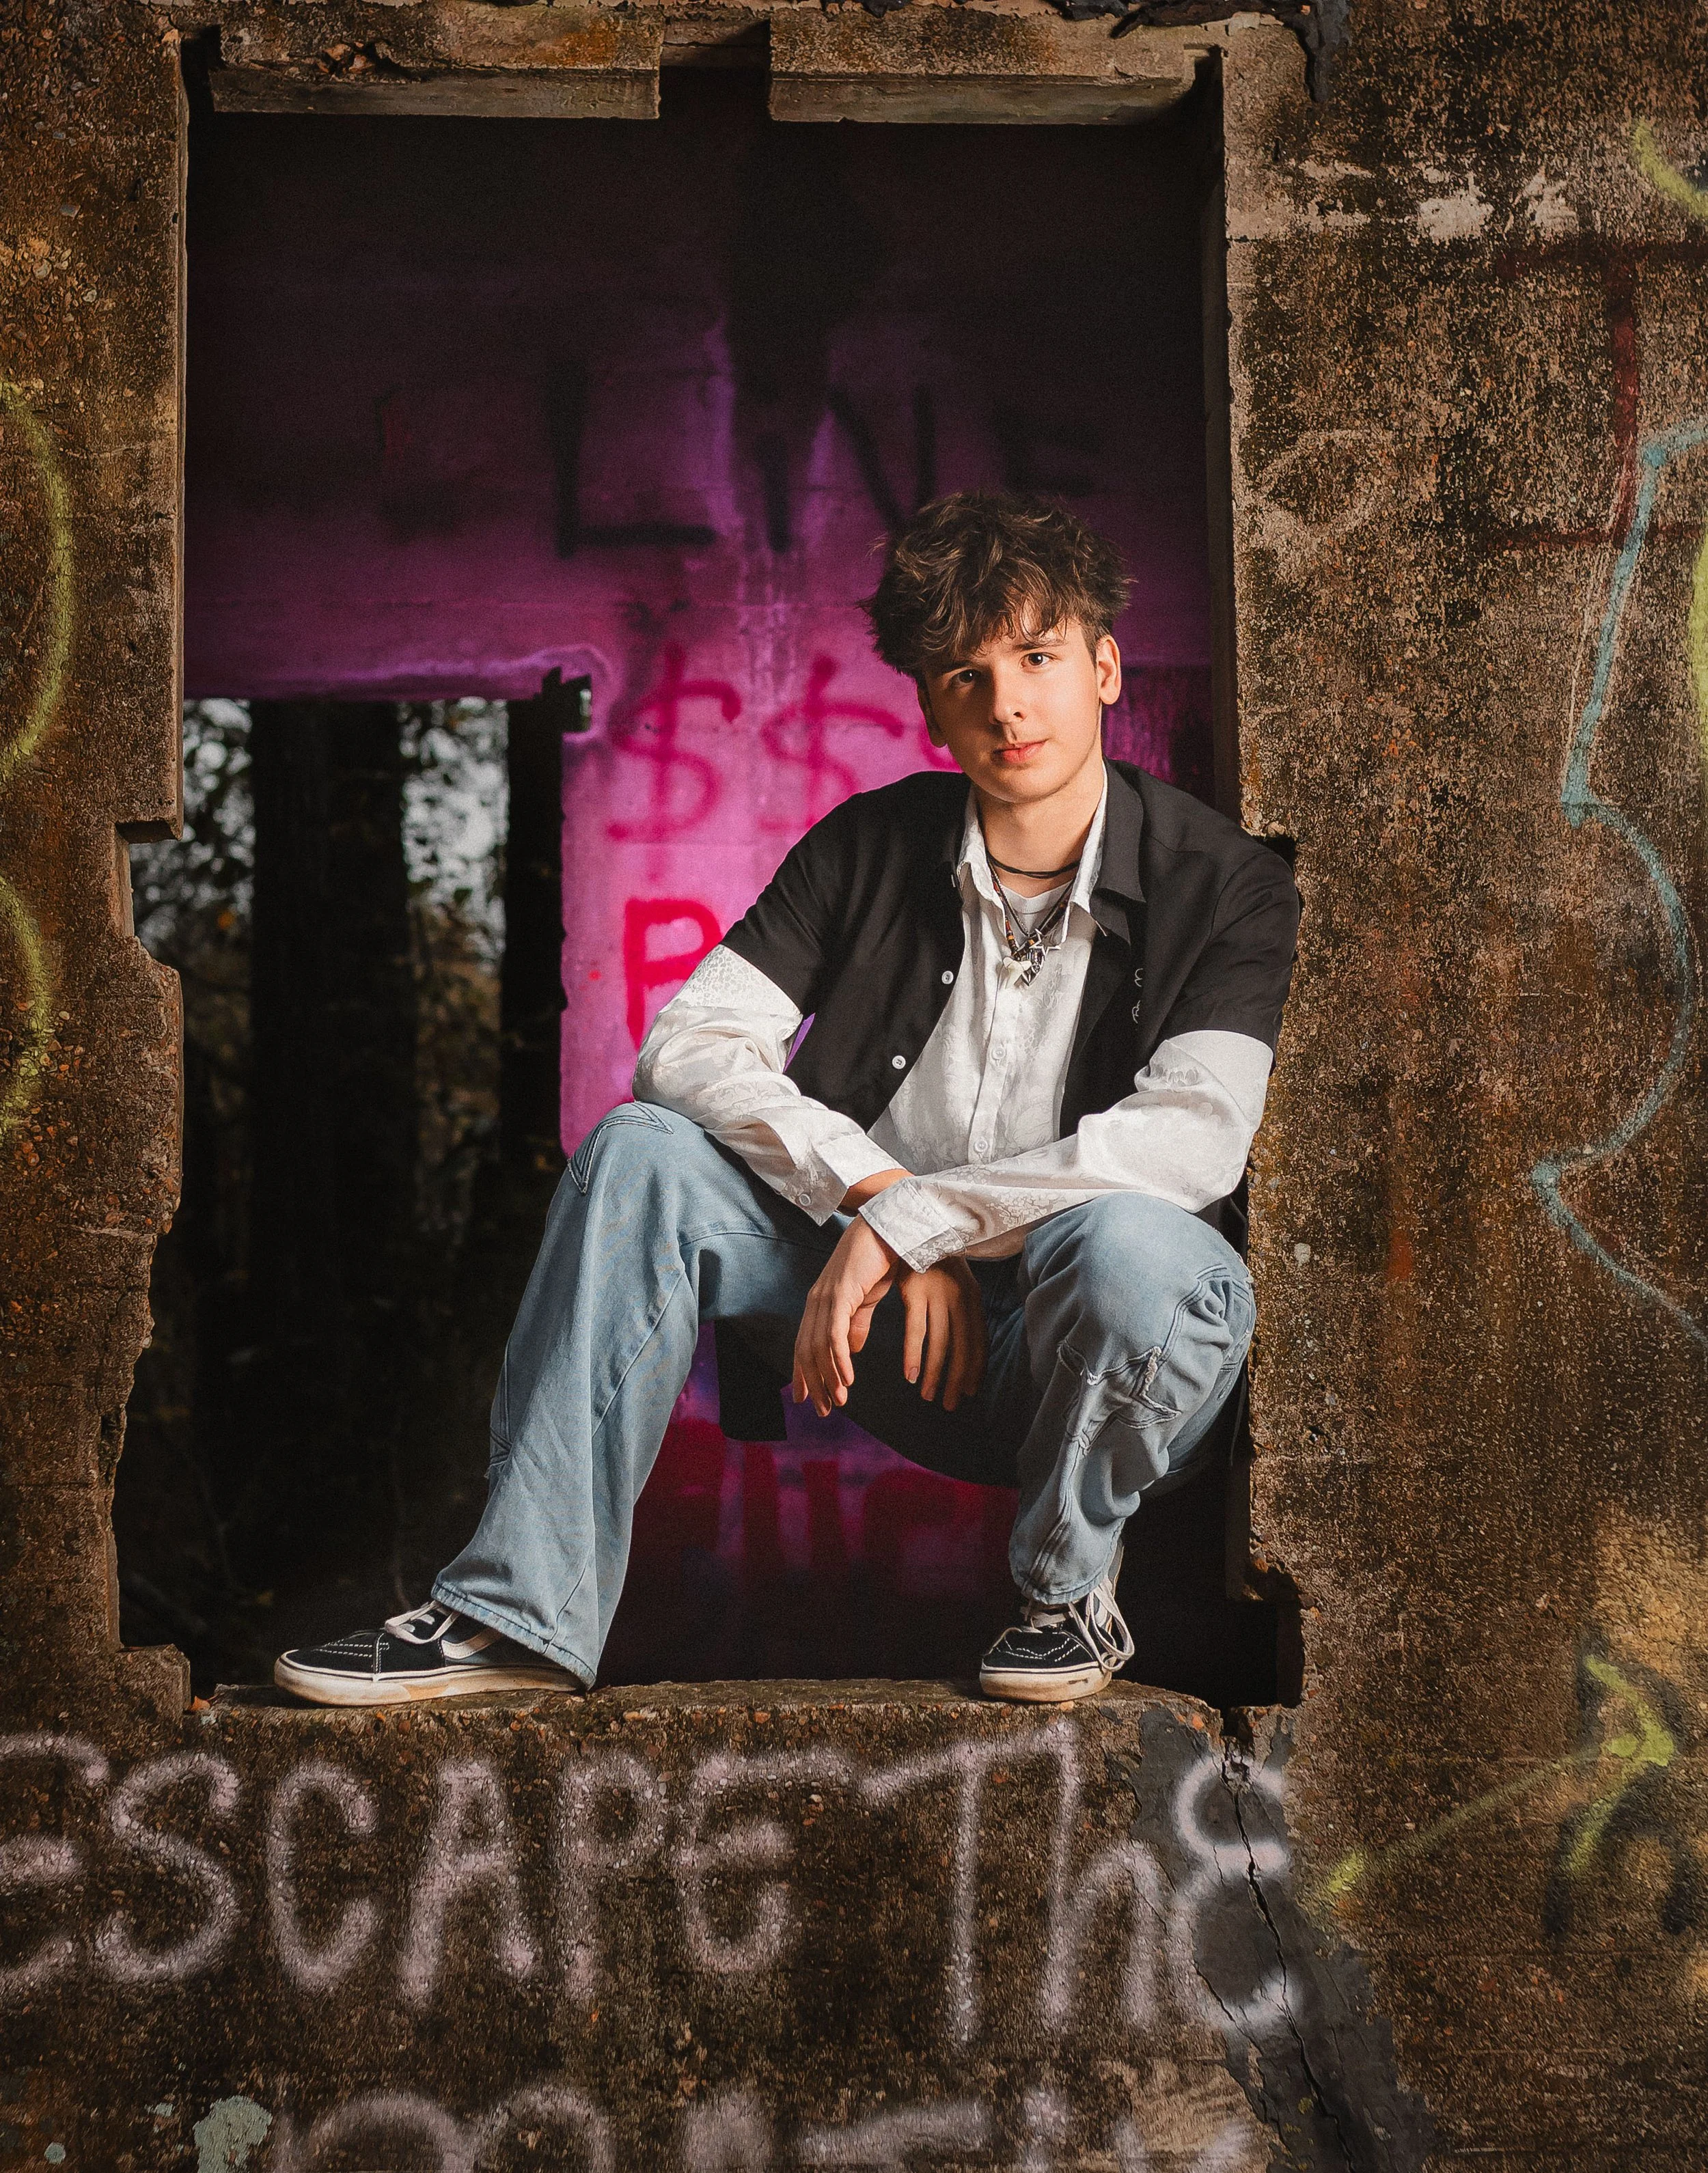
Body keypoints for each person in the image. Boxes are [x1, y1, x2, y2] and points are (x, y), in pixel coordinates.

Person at [275, 491, 1299, 1710]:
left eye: (1037, 658)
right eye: (966, 675)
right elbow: (690, 1048)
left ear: (1104, 665)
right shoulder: (870, 844)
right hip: (873, 1330)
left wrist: (921, 1227)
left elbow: (1193, 1141)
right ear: (928, 702)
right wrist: (874, 1197)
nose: (1009, 704)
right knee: (642, 1151)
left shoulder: (1226, 883)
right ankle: (517, 1612)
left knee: (1147, 1249)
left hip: (1090, 1359)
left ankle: (1065, 1595)